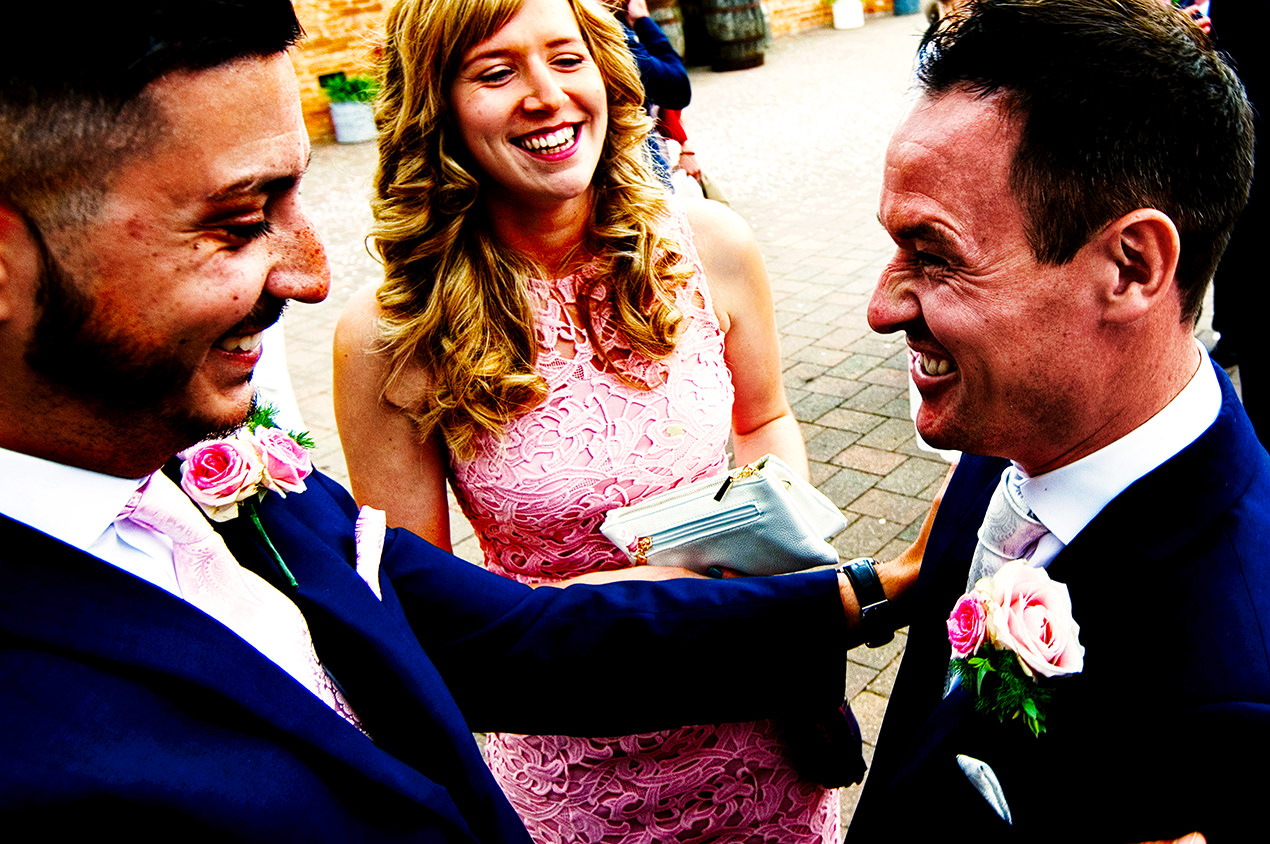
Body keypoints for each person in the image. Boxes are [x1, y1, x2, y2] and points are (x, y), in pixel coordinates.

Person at [0, 0, 918, 838]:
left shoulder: (232, 479)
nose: (311, 277)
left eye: (567, 57)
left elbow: (499, 640)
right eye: (239, 221)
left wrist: (877, 586)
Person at [333, 0, 842, 840]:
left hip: (756, 724)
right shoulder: (391, 335)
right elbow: (422, 606)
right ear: (438, 109)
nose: (546, 95)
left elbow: (766, 418)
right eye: (496, 73)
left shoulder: (710, 245)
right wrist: (598, 606)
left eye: (565, 59)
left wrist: (768, 535)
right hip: (571, 761)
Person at [845, 0, 1270, 841]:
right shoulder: (1024, 419)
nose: (881, 307)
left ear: (1130, 265)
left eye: (935, 255)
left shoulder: (1228, 693)